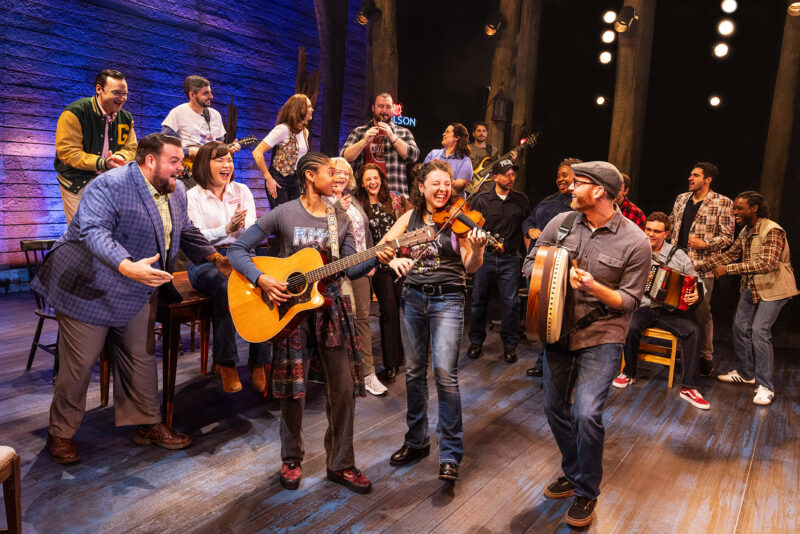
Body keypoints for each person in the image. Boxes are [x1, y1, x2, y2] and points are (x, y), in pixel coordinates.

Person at [32, 133, 227, 464]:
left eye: (182, 161)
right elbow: (94, 232)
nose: (182, 169)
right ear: (150, 161)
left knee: (139, 357)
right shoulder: (109, 185)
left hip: (137, 286)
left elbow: (186, 230)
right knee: (78, 366)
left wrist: (215, 258)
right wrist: (126, 265)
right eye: (175, 162)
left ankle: (146, 424)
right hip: (87, 284)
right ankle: (61, 433)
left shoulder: (175, 190)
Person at [228, 152, 393, 494]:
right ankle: (291, 458)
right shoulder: (284, 213)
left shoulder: (340, 217)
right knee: (292, 390)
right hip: (289, 312)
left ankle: (341, 464)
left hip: (332, 308)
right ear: (308, 176)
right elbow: (237, 251)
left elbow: (348, 267)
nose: (337, 178)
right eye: (330, 172)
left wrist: (377, 256)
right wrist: (261, 279)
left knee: (344, 389)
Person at [522, 161, 650, 527]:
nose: (570, 188)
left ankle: (586, 491)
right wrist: (556, 270)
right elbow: (530, 265)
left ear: (599, 191)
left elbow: (628, 301)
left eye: (578, 183)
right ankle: (575, 469)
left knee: (586, 413)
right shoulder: (559, 224)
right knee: (553, 408)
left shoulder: (635, 241)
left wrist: (595, 288)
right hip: (557, 330)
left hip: (603, 336)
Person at [381, 160, 488, 484]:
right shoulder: (410, 217)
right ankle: (416, 442)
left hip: (448, 300)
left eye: (447, 184)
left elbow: (470, 266)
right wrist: (395, 257)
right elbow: (383, 246)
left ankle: (451, 453)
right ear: (423, 187)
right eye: (436, 184)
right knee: (413, 374)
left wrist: (479, 250)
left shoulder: (460, 219)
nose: (442, 189)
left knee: (444, 374)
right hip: (413, 298)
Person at [695, 192, 798, 406]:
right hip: (753, 287)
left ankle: (765, 386)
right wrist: (696, 266)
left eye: (739, 208)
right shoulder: (746, 231)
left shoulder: (773, 230)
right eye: (734, 208)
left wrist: (728, 270)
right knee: (739, 327)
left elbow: (766, 264)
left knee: (760, 331)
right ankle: (745, 372)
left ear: (754, 209)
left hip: (774, 289)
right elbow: (730, 254)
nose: (734, 212)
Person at [185, 141, 270, 393]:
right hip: (206, 259)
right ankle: (227, 363)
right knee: (226, 286)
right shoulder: (192, 196)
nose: (227, 165)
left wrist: (241, 229)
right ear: (204, 164)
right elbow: (195, 236)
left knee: (266, 282)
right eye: (219, 160)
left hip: (242, 254)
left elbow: (255, 232)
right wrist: (226, 229)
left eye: (229, 161)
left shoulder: (242, 191)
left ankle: (259, 362)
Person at [612, 212, 710, 410]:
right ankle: (628, 373)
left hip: (669, 311)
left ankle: (689, 387)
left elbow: (696, 281)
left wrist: (696, 294)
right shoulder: (635, 251)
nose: (651, 234)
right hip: (643, 307)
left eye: (656, 231)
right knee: (629, 326)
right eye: (648, 229)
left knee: (693, 331)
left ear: (666, 233)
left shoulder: (677, 255)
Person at [668, 162, 734, 376]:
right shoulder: (681, 199)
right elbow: (671, 224)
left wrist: (706, 244)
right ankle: (681, 353)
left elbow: (727, 237)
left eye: (695, 175)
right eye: (690, 174)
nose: (690, 178)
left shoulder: (723, 202)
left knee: (702, 311)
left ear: (708, 179)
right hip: (677, 263)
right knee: (676, 309)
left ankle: (705, 357)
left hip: (702, 266)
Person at [329, 157, 387, 396]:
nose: (341, 176)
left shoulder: (353, 201)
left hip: (361, 268)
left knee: (363, 319)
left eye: (345, 172)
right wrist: (335, 210)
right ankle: (344, 375)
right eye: (336, 172)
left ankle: (368, 374)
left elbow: (367, 231)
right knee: (345, 320)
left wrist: (371, 259)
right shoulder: (324, 201)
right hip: (338, 272)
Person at [522, 157, 582, 377]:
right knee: (540, 319)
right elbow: (529, 220)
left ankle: (550, 365)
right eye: (558, 175)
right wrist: (530, 232)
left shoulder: (577, 206)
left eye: (564, 175)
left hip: (559, 267)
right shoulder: (548, 200)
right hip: (537, 264)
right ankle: (544, 363)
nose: (560, 179)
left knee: (555, 318)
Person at [466, 158, 530, 363]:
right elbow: (470, 229)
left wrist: (528, 259)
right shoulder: (482, 200)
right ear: (495, 177)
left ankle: (510, 346)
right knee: (478, 301)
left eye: (513, 174)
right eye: (506, 174)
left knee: (510, 304)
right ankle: (476, 342)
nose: (511, 178)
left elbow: (526, 230)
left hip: (510, 258)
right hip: (485, 256)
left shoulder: (521, 200)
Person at [55, 69, 138, 223]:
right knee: (82, 235)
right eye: (116, 93)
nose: (122, 98)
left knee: (110, 233)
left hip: (110, 184)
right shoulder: (75, 113)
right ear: (99, 89)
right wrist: (102, 163)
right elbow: (67, 152)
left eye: (125, 94)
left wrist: (120, 158)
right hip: (77, 184)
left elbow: (131, 148)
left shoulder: (126, 118)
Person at [352, 163, 407, 382]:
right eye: (368, 179)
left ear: (381, 179)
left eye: (375, 178)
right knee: (388, 311)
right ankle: (390, 363)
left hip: (399, 261)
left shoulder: (393, 200)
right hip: (379, 265)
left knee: (401, 311)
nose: (373, 182)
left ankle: (400, 358)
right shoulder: (360, 205)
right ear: (363, 183)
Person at [340, 92, 420, 197]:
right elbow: (344, 157)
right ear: (373, 108)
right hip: (364, 195)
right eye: (380, 106)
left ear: (392, 109)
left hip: (395, 194)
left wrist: (392, 136)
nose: (384, 111)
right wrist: (364, 141)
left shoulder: (403, 132)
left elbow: (414, 156)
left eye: (388, 107)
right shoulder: (359, 131)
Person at [252, 94, 313, 208]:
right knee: (281, 218)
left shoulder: (305, 132)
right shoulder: (283, 129)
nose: (312, 109)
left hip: (296, 181)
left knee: (295, 215)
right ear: (300, 109)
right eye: (309, 106)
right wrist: (268, 178)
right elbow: (257, 152)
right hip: (279, 180)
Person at [161, 75, 241, 159]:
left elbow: (219, 146)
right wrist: (188, 151)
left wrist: (228, 149)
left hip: (209, 167)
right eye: (206, 93)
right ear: (192, 95)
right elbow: (165, 145)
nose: (211, 96)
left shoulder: (216, 115)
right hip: (187, 167)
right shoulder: (177, 113)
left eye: (210, 92)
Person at [423, 122, 473, 194]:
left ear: (456, 137)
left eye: (447, 132)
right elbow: (421, 175)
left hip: (453, 203)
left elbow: (461, 185)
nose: (443, 134)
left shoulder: (465, 161)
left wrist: (446, 178)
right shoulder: (433, 154)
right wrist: (429, 168)